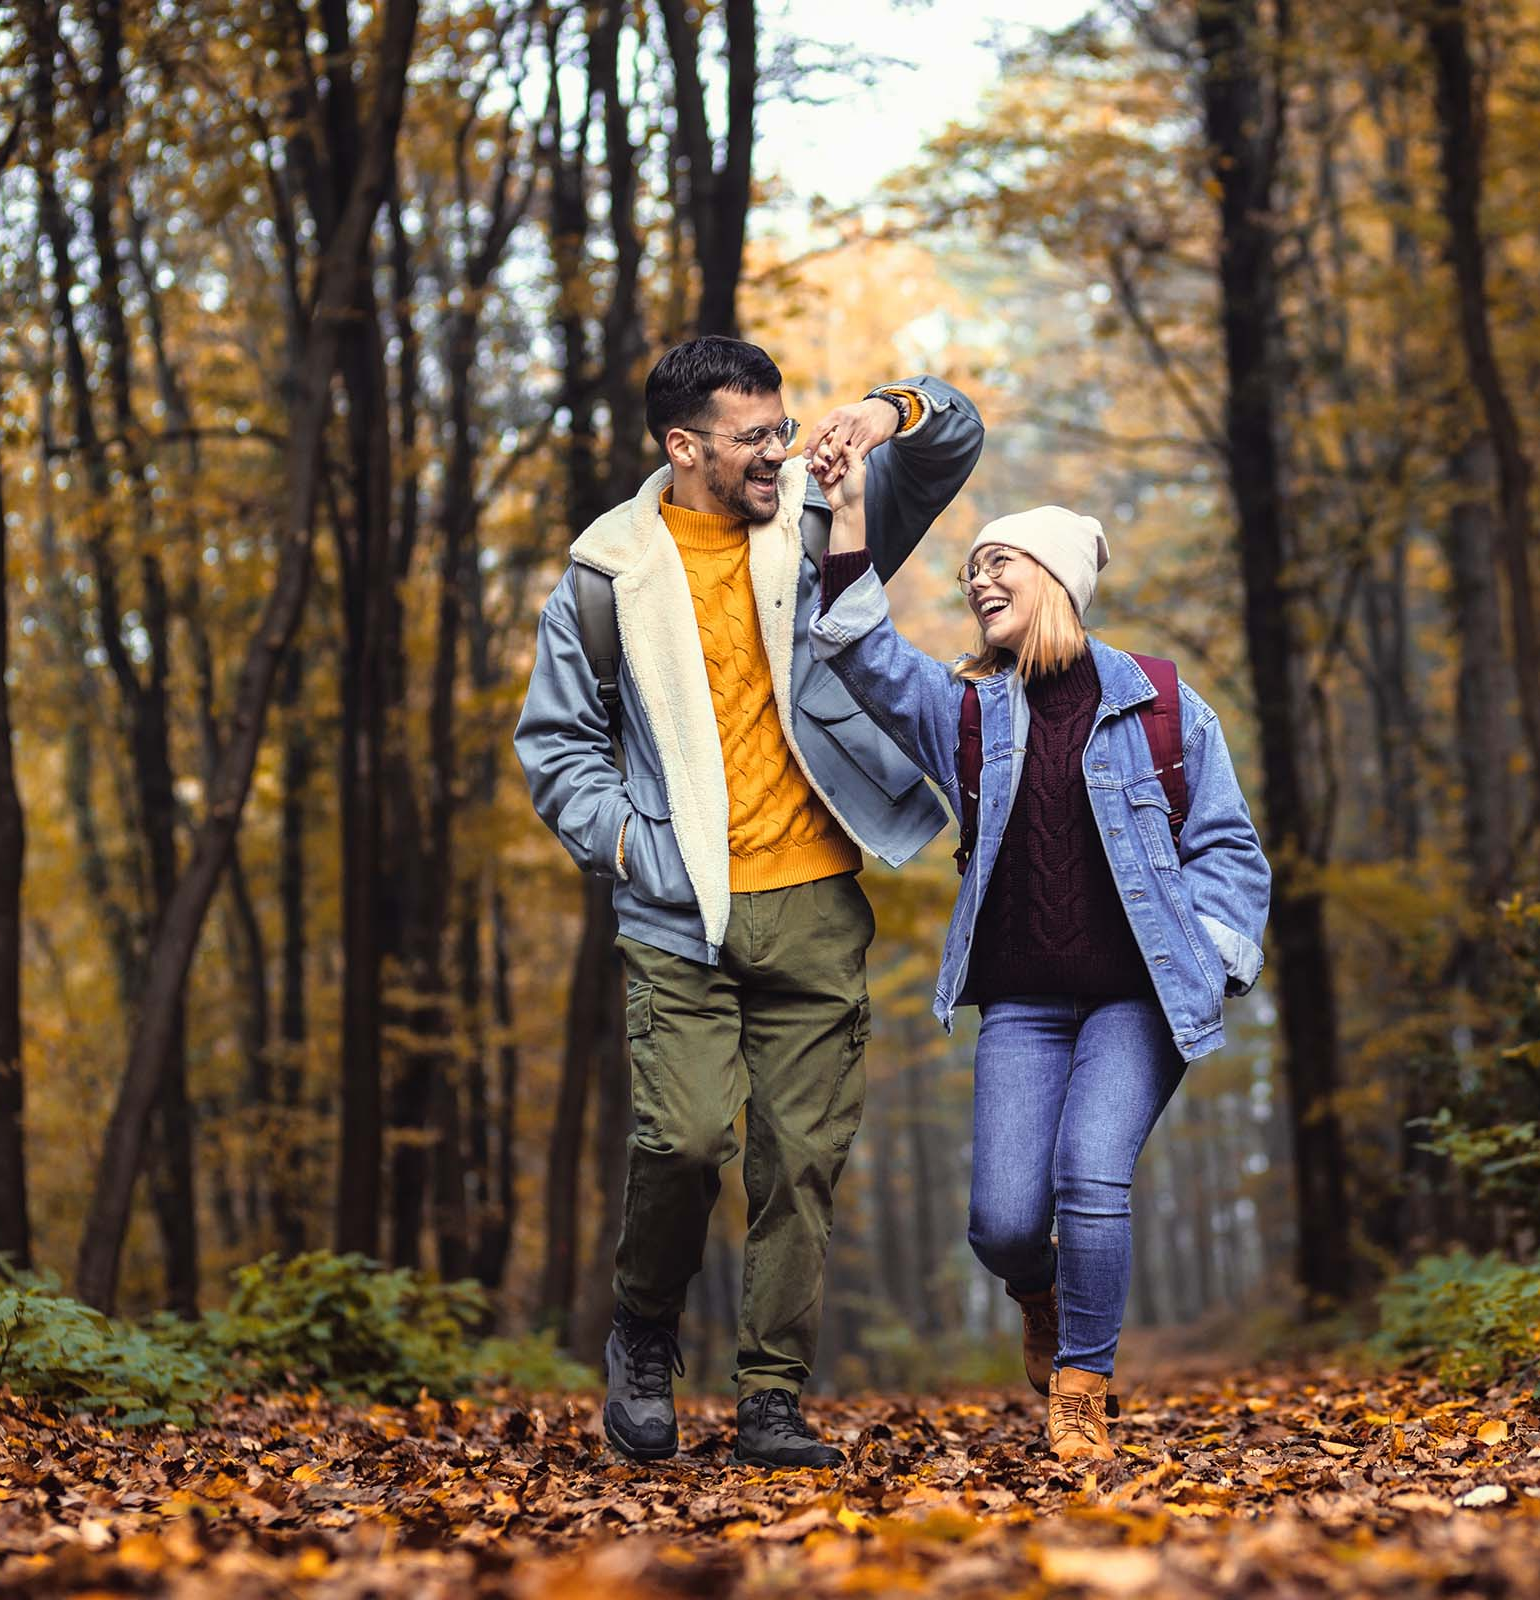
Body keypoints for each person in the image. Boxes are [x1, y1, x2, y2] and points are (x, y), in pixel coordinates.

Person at [514, 337, 984, 1469]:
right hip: (680, 912)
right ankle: (642, 1327)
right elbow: (557, 746)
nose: (778, 450)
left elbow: (956, 436)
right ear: (683, 448)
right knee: (678, 1142)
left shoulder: (823, 518)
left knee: (799, 1159)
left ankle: (772, 1396)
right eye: (753, 437)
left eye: (782, 427)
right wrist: (632, 843)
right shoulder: (603, 575)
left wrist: (886, 411)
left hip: (817, 900)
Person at [806, 441, 1270, 1463]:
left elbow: (1229, 847)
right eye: (973, 569)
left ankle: (1082, 1391)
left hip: (1135, 999)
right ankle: (1044, 1298)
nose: (979, 579)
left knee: (1091, 1171)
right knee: (1005, 1222)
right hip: (1021, 1000)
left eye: (998, 563)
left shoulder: (1160, 704)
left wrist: (1211, 957)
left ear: (1056, 578)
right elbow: (863, 653)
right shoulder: (969, 713)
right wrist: (845, 514)